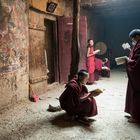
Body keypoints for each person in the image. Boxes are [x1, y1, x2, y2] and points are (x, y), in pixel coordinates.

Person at [125, 29, 140, 123]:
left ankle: (137, 116)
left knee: (136, 94)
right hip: (134, 76)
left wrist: (128, 61)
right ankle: (132, 112)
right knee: (131, 93)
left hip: (138, 76)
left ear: (137, 36)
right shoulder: (137, 45)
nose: (133, 41)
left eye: (133, 38)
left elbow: (138, 62)